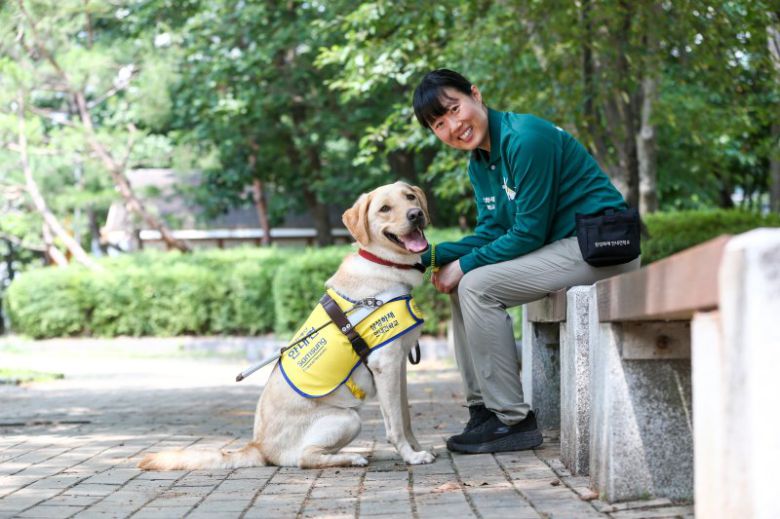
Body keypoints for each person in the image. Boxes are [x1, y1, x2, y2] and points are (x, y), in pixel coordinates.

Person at [413, 69, 640, 454]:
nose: (454, 125)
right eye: (439, 123)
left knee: (477, 285)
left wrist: (464, 266)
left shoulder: (525, 140)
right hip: (562, 248)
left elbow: (528, 233)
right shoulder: (479, 163)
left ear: (476, 94)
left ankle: (513, 421)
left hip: (600, 247)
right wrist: (426, 257)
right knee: (460, 287)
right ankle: (483, 410)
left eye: (454, 109)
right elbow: (491, 231)